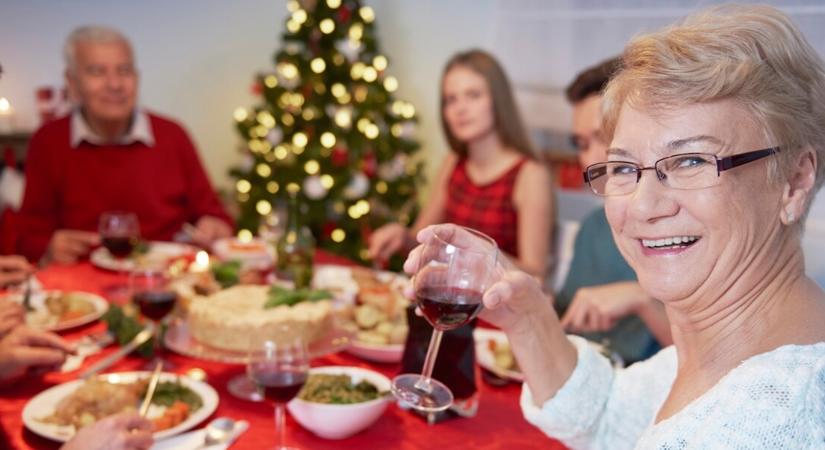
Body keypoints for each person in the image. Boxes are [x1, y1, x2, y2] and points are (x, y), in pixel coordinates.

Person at [405, 5, 825, 448]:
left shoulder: (771, 423)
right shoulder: (716, 350)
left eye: (691, 161)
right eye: (623, 167)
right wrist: (525, 315)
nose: (643, 206)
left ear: (795, 181)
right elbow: (607, 415)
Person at [16, 25, 233, 264]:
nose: (115, 84)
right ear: (73, 82)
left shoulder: (173, 134)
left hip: (166, 280)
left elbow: (214, 214)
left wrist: (215, 226)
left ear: (137, 78)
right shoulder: (48, 141)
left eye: (124, 70)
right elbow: (28, 238)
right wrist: (49, 248)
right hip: (82, 289)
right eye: (97, 72)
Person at [368, 49, 553, 278]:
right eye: (451, 99)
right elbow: (421, 240)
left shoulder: (530, 174)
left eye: (473, 95)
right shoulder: (453, 162)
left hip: (495, 307)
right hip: (448, 297)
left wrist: (475, 254)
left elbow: (536, 276)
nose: (460, 109)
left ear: (498, 100)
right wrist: (402, 236)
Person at [556, 58, 671, 364]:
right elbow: (562, 319)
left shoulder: (679, 225)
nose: (591, 159)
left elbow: (716, 365)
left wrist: (642, 300)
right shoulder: (593, 226)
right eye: (581, 144)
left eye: (603, 138)